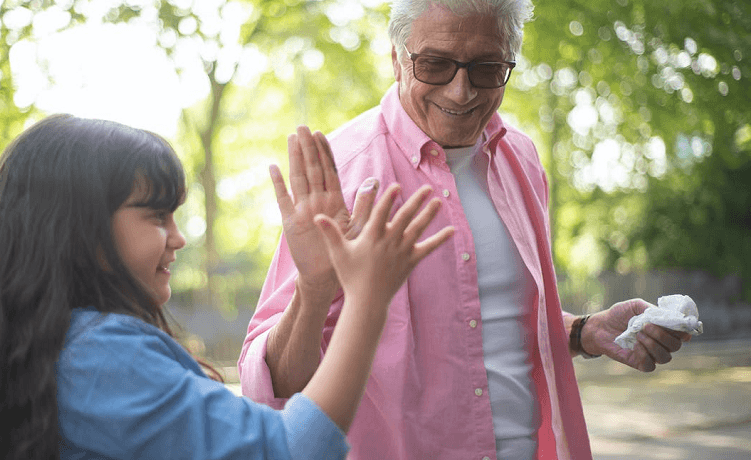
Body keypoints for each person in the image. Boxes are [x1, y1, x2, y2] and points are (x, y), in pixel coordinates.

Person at [239, 1, 692, 459]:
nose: (461, 92)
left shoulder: (523, 160)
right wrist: (314, 290)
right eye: (435, 65)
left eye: (486, 68)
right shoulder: (341, 173)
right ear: (396, 58)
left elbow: (482, 323)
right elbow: (271, 386)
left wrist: (583, 331)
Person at [0, 114, 453, 460]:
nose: (178, 237)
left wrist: (317, 286)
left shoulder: (41, 340)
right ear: (80, 228)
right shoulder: (97, 353)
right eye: (156, 216)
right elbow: (287, 450)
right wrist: (366, 298)